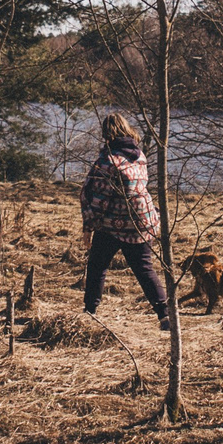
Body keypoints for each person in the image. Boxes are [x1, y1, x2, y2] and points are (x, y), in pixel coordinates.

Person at [80, 113, 171, 329]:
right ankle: (165, 315)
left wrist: (88, 227)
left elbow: (98, 199)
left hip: (113, 225)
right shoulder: (139, 156)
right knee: (144, 269)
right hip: (142, 221)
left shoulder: (107, 161)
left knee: (97, 266)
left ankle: (90, 312)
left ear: (106, 134)